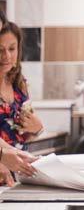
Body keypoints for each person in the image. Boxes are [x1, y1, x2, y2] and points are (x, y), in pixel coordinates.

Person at [0, 21, 40, 186]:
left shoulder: (19, 84)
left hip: (19, 174)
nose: (6, 56)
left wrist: (36, 129)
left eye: (12, 49)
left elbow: (25, 132)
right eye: (0, 49)